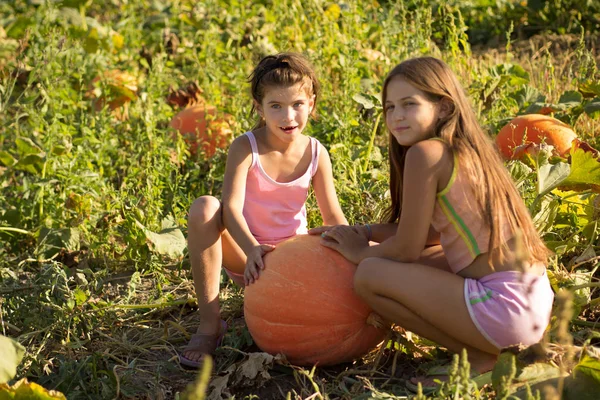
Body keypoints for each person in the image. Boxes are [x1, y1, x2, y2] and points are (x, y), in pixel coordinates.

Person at [310, 56, 554, 389]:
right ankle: (489, 348)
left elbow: (407, 249)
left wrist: (358, 253)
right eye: (389, 107)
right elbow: (428, 235)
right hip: (534, 304)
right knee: (411, 259)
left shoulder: (425, 154)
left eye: (409, 104)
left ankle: (479, 357)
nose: (396, 116)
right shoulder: (467, 151)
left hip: (507, 314)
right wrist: (363, 233)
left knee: (368, 275)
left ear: (442, 107)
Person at [179, 52, 348, 368]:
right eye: (276, 106)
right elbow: (230, 208)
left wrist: (355, 253)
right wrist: (253, 249)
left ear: (311, 103)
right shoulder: (246, 147)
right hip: (248, 255)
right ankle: (209, 324)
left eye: (297, 104)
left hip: (294, 262)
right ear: (259, 107)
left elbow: (333, 216)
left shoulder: (315, 152)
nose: (288, 116)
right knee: (205, 207)